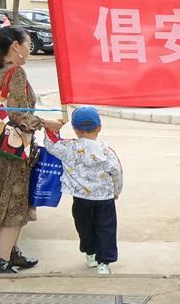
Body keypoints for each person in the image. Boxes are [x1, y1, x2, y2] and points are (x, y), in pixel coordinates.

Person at [0, 25, 64, 274]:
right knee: (14, 205)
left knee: (15, 204)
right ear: (15, 46)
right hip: (13, 151)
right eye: (28, 45)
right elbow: (18, 115)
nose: (30, 50)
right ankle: (2, 261)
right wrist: (47, 123)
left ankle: (12, 252)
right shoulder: (16, 72)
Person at [42, 106, 123, 275]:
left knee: (84, 227)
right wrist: (116, 191)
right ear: (99, 127)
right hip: (104, 199)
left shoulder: (68, 147)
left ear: (75, 129)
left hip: (80, 198)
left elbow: (51, 144)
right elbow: (117, 172)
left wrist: (52, 128)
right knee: (106, 229)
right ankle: (104, 263)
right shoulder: (107, 151)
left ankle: (90, 253)